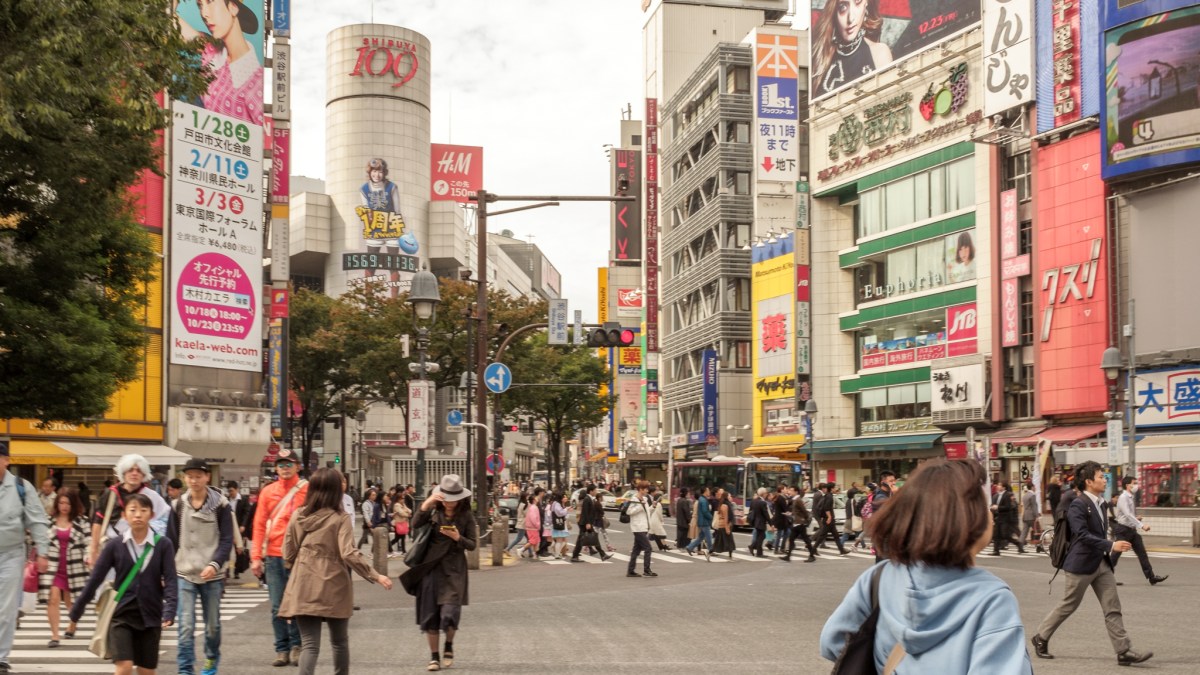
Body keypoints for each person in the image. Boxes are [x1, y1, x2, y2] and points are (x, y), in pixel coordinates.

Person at [821, 459, 1032, 672]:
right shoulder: (992, 598)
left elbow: (832, 642)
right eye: (983, 505)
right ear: (966, 517)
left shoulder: (879, 577)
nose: (990, 514)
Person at [1031, 461, 1152, 666]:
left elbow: (1100, 530)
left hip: (1101, 564)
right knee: (1069, 605)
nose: (1104, 480)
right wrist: (1111, 545)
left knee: (1112, 606)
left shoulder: (1101, 503)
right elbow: (1082, 535)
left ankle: (1123, 651)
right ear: (1088, 482)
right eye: (1100, 477)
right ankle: (1040, 637)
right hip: (1081, 564)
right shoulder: (1078, 504)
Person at [279, 469, 392, 675]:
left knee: (310, 645)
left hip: (304, 582)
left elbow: (287, 553)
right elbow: (349, 553)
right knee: (339, 642)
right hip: (334, 583)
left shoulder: (298, 515)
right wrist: (376, 575)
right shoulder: (340, 518)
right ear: (334, 491)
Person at [70, 493, 178, 675]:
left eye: (143, 510)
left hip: (151, 616)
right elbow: (96, 578)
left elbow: (170, 579)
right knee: (124, 666)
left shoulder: (163, 545)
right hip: (121, 614)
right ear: (124, 515)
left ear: (151, 515)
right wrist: (76, 611)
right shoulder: (115, 545)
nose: (138, 515)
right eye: (133, 510)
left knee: (146, 670)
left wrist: (170, 609)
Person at [399, 475, 478, 672]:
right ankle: (434, 657)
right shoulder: (434, 510)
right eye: (447, 498)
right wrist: (427, 504)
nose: (450, 503)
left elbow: (473, 544)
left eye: (454, 499)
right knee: (430, 614)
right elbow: (415, 524)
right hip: (431, 568)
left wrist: (457, 537)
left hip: (454, 569)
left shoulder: (466, 516)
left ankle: (449, 644)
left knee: (450, 612)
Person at [167, 458, 233, 675]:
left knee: (212, 625)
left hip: (211, 574)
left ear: (207, 477)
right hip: (184, 572)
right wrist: (166, 572)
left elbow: (226, 540)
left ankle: (211, 659)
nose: (194, 480)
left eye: (198, 476)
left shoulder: (221, 505)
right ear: (184, 479)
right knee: (186, 626)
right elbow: (171, 541)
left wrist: (215, 564)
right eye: (189, 476)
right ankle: (185, 670)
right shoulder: (177, 505)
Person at [250, 448, 309, 667]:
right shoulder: (268, 491)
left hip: (299, 555)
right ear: (276, 468)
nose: (284, 468)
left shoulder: (307, 489)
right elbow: (258, 524)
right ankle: (281, 648)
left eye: (289, 464)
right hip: (273, 555)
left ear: (298, 466)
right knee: (277, 606)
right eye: (281, 464)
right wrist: (255, 556)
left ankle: (297, 645)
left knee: (297, 604)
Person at [174, 0, 264, 125]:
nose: (204, 14)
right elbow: (168, 18)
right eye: (200, 5)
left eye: (210, 2)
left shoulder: (256, 86)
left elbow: (265, 141)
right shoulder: (211, 50)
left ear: (233, 7)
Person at [90, 454, 172, 566]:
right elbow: (98, 521)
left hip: (142, 552)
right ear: (123, 472)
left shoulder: (152, 496)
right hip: (112, 548)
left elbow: (166, 519)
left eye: (139, 470)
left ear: (143, 474)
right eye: (130, 470)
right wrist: (93, 551)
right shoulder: (110, 493)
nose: (134, 473)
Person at [811, 0, 893, 97]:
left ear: (866, 3)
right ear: (833, 11)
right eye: (843, 7)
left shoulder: (879, 53)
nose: (851, 18)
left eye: (857, 2)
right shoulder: (820, 59)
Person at [40, 488, 88, 648]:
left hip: (74, 567)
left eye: (67, 503)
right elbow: (40, 540)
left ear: (73, 504)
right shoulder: (48, 521)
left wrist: (89, 556)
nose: (64, 506)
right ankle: (55, 636)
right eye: (61, 502)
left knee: (72, 602)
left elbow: (89, 542)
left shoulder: (81, 521)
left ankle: (72, 625)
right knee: (52, 599)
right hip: (53, 567)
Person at [1113, 476, 1167, 586]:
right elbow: (1127, 514)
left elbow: (1127, 515)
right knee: (1115, 555)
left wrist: (1136, 519)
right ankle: (1104, 577)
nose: (1136, 485)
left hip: (1131, 530)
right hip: (1123, 530)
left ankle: (1151, 577)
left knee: (1142, 554)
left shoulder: (1129, 497)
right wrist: (1142, 525)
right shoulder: (1123, 497)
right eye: (1134, 483)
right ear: (1128, 485)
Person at [570, 485, 611, 562]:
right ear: (591, 491)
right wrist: (588, 523)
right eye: (595, 490)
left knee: (583, 539)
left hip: (586, 523)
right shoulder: (587, 499)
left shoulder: (590, 499)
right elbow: (585, 512)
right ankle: (602, 554)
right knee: (587, 539)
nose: (596, 492)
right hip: (585, 523)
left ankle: (575, 556)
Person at [623, 480, 656, 578]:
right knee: (648, 548)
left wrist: (652, 507)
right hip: (637, 528)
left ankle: (630, 571)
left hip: (644, 527)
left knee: (636, 550)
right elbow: (629, 512)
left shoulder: (644, 499)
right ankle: (647, 570)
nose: (647, 490)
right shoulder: (634, 499)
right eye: (646, 489)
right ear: (640, 489)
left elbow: (646, 512)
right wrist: (640, 506)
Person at [782, 486, 816, 563]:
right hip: (796, 523)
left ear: (796, 492)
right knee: (792, 539)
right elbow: (797, 511)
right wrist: (790, 514)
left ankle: (812, 556)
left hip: (800, 523)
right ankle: (788, 556)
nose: (789, 492)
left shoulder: (798, 500)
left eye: (791, 490)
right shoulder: (795, 500)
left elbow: (803, 510)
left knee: (806, 540)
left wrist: (806, 519)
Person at [989, 482, 1025, 555]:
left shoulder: (1007, 495)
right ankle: (996, 551)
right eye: (998, 485)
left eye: (1000, 485)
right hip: (997, 518)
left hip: (1005, 519)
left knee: (1005, 535)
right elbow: (993, 506)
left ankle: (1018, 544)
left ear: (1004, 487)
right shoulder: (995, 496)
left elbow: (1008, 507)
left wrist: (998, 507)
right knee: (996, 535)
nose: (998, 486)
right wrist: (992, 510)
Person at [814, 483, 849, 556]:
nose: (836, 489)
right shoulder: (829, 496)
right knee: (822, 535)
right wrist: (829, 517)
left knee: (835, 536)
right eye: (834, 487)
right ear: (832, 488)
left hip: (829, 519)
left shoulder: (828, 495)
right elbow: (826, 508)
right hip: (828, 519)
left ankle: (841, 550)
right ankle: (813, 549)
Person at [684, 487, 713, 560]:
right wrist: (711, 517)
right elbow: (705, 511)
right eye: (708, 490)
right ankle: (710, 549)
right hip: (704, 521)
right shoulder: (703, 500)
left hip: (702, 521)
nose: (709, 492)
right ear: (705, 491)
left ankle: (690, 547)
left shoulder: (702, 499)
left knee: (701, 537)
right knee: (708, 536)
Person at [710, 488, 737, 558]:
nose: (730, 497)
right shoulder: (725, 505)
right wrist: (727, 528)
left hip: (722, 525)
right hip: (724, 525)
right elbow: (726, 517)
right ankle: (711, 551)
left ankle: (712, 551)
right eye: (729, 496)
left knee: (720, 541)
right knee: (728, 540)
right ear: (726, 497)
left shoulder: (724, 504)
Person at [518, 489, 543, 560]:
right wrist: (537, 525)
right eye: (536, 498)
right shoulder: (533, 508)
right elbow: (533, 518)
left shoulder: (532, 507)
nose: (537, 498)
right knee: (533, 541)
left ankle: (535, 554)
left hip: (532, 527)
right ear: (534, 500)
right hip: (533, 527)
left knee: (536, 541)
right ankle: (521, 549)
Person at [746, 487, 771, 557]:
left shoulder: (754, 501)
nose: (767, 494)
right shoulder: (763, 502)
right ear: (763, 494)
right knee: (761, 536)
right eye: (766, 493)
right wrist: (771, 523)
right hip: (761, 522)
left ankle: (753, 547)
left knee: (760, 536)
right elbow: (766, 514)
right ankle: (758, 552)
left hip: (755, 522)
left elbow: (750, 511)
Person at [646, 486, 672, 551]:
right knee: (661, 533)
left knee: (653, 534)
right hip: (656, 521)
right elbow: (659, 514)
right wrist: (662, 520)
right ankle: (665, 546)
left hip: (652, 520)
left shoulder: (654, 504)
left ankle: (663, 546)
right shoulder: (659, 504)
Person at [1020, 484, 1043, 553]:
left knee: (1024, 532)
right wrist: (1037, 516)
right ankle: (1039, 546)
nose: (1035, 488)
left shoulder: (1025, 495)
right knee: (1038, 531)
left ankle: (1020, 546)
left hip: (1025, 515)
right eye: (1034, 487)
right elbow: (1034, 506)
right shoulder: (1032, 495)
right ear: (1032, 487)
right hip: (1031, 516)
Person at [548, 493, 571, 559]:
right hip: (558, 524)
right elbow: (560, 513)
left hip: (556, 524)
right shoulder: (557, 504)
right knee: (559, 540)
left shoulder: (554, 504)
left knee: (560, 540)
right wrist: (566, 509)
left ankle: (557, 553)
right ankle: (557, 554)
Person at [772, 485, 792, 554]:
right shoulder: (780, 498)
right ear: (781, 490)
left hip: (781, 518)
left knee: (786, 532)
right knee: (779, 534)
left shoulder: (779, 497)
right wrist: (789, 512)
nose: (786, 490)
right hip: (781, 518)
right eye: (785, 489)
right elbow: (785, 508)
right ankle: (777, 549)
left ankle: (781, 548)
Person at [392, 490, 412, 555]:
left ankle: (404, 551)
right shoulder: (397, 505)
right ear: (398, 499)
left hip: (403, 523)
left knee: (403, 537)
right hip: (398, 523)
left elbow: (410, 510)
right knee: (397, 538)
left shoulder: (403, 505)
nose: (403, 500)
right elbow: (401, 513)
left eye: (403, 498)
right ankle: (388, 546)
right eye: (402, 498)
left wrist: (406, 511)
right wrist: (407, 514)